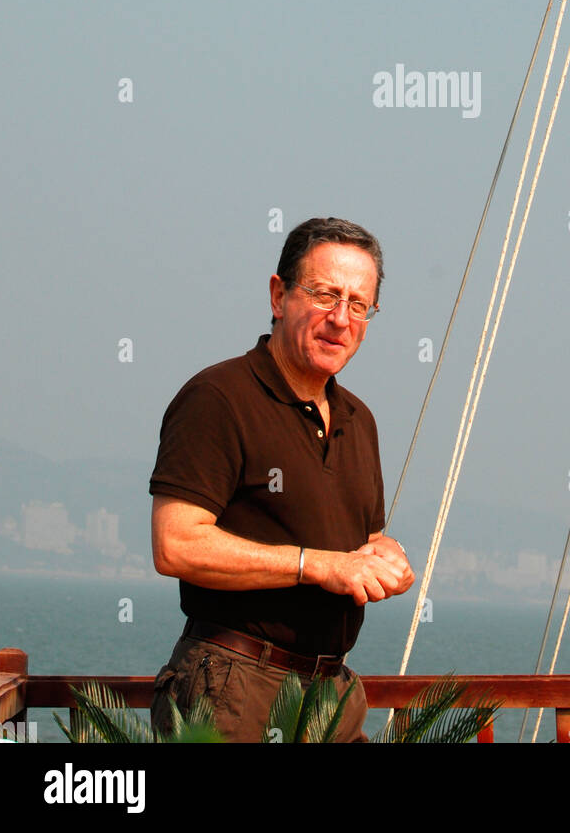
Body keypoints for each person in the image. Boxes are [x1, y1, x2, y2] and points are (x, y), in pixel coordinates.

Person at [149, 215, 414, 742]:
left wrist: (385, 556)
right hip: (233, 688)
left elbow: (353, 543)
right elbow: (175, 545)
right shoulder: (218, 398)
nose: (341, 319)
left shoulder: (360, 420)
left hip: (331, 697)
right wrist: (316, 566)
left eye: (358, 304)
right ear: (278, 296)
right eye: (324, 294)